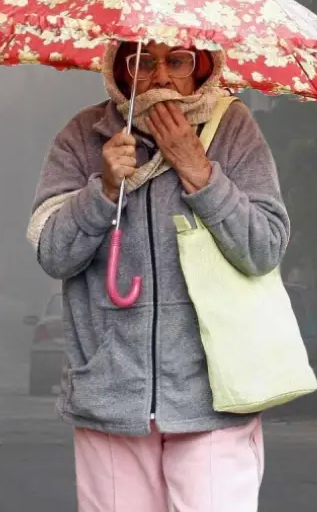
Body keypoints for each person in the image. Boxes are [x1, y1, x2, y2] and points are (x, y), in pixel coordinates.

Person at [25, 40, 290, 512]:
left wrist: (199, 170)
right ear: (120, 70)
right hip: (110, 396)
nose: (162, 76)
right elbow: (53, 253)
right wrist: (103, 190)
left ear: (202, 67)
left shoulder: (233, 129)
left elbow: (263, 248)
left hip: (215, 396)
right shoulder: (84, 135)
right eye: (143, 62)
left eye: (178, 61)